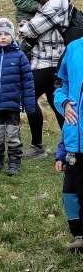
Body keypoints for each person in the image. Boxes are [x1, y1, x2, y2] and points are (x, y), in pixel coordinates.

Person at [17, 0, 68, 158]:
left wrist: (24, 26)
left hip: (48, 61)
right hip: (49, 60)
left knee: (28, 98)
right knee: (57, 104)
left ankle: (37, 146)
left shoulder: (55, 3)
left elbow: (30, 30)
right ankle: (68, 145)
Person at [0, 18, 35, 176]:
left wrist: (29, 105)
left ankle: (14, 161)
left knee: (12, 134)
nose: (3, 37)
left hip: (12, 105)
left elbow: (28, 82)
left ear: (12, 35)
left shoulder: (20, 57)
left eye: (6, 34)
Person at [54, 34, 83, 252]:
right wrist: (63, 102)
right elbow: (60, 83)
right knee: (70, 192)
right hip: (74, 141)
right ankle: (79, 235)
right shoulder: (73, 48)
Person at [55, 135, 82, 251]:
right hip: (72, 159)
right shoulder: (68, 121)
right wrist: (60, 157)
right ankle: (78, 235)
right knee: (69, 196)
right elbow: (65, 136)